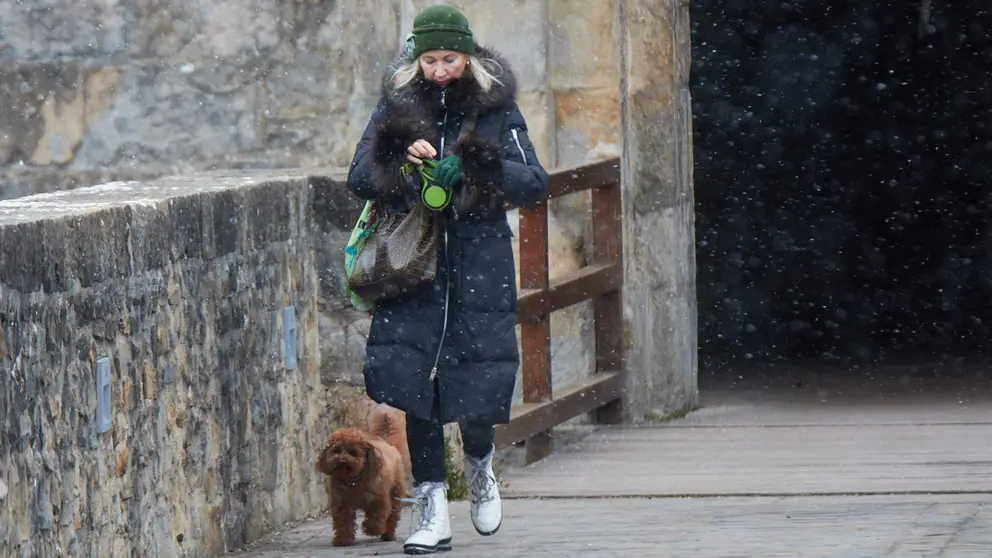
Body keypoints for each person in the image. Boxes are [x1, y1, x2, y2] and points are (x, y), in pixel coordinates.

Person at [346, 4, 549, 555]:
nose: (440, 70)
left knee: (480, 385)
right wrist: (399, 158)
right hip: (414, 264)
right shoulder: (397, 103)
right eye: (431, 59)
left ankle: (481, 466)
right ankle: (431, 504)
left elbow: (534, 183)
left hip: (479, 260)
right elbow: (359, 176)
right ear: (417, 58)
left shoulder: (496, 110)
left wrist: (478, 162)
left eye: (450, 59)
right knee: (416, 387)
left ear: (468, 56)